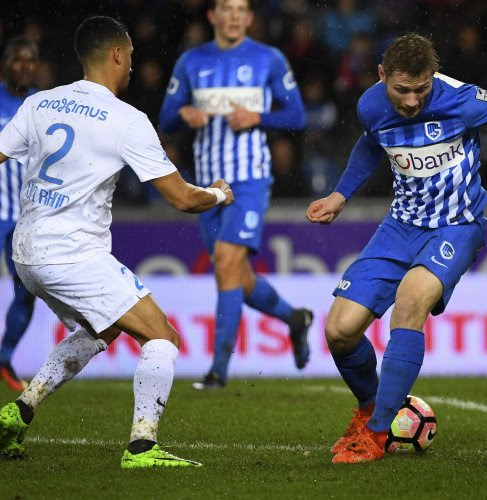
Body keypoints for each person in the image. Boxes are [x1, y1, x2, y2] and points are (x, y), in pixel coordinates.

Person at [306, 33, 487, 464]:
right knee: (340, 331)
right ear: (383, 75)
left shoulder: (464, 99)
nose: (410, 101)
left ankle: (377, 433)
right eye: (401, 90)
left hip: (457, 226)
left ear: (433, 77)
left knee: (410, 300)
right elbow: (372, 143)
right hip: (400, 225)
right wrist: (339, 195)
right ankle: (370, 406)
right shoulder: (370, 105)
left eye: (421, 89)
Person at [0, 16, 234, 468]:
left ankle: (19, 411)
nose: (132, 68)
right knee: (162, 336)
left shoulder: (40, 104)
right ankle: (142, 448)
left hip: (26, 250)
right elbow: (183, 199)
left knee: (99, 329)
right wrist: (220, 194)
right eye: (130, 58)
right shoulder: (127, 119)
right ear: (117, 55)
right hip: (71, 253)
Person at [159, 0, 312, 390]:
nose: (233, 15)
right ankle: (295, 319)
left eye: (240, 9)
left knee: (226, 264)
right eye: (225, 8)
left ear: (249, 17)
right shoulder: (191, 61)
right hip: (208, 187)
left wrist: (259, 117)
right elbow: (165, 118)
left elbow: (297, 116)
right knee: (236, 276)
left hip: (249, 181)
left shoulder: (269, 59)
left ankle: (217, 372)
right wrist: (185, 116)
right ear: (212, 16)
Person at [0, 37, 39, 391]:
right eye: (18, 59)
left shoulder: (43, 105)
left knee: (25, 291)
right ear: (6, 63)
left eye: (31, 60)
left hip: (23, 218)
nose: (25, 65)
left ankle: (4, 360)